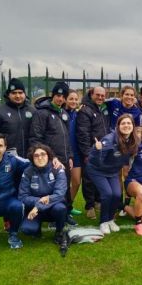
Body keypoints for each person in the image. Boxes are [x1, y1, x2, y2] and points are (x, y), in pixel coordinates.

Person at [85, 114, 138, 235]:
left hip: (112, 171)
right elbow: (94, 161)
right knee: (107, 194)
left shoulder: (132, 141)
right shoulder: (109, 140)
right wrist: (97, 150)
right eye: (123, 123)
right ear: (118, 126)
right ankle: (103, 222)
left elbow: (127, 159)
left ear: (133, 126)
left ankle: (110, 220)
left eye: (129, 123)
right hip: (97, 170)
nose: (126, 126)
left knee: (117, 194)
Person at [29, 81, 75, 223]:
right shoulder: (42, 113)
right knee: (51, 190)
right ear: (53, 95)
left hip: (65, 159)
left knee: (64, 188)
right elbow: (36, 138)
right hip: (51, 160)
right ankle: (50, 217)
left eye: (63, 96)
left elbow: (67, 137)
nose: (60, 99)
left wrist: (71, 156)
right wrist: (50, 157)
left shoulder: (64, 113)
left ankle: (65, 214)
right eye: (58, 95)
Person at [18, 143, 68, 253]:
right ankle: (37, 228)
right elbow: (22, 196)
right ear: (32, 158)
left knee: (60, 208)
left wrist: (39, 205)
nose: (40, 158)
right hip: (35, 210)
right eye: (36, 156)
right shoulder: (28, 172)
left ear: (48, 156)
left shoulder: (57, 168)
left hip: (53, 208)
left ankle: (59, 232)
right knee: (27, 230)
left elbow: (59, 194)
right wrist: (38, 202)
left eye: (43, 154)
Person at [76, 86, 110, 219]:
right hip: (91, 152)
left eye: (103, 95)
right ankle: (89, 206)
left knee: (101, 177)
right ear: (91, 94)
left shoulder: (104, 109)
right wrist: (86, 153)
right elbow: (83, 134)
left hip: (105, 151)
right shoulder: (85, 110)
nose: (100, 97)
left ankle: (97, 201)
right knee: (89, 179)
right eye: (98, 95)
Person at [0, 78, 35, 158]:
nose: (18, 96)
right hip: (7, 158)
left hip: (29, 157)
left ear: (24, 94)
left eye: (20, 92)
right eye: (14, 93)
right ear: (8, 95)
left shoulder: (32, 110)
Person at [65, 89, 82, 216]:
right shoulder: (60, 113)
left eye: (76, 99)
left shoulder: (77, 114)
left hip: (76, 153)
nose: (74, 101)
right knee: (63, 184)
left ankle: (68, 206)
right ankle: (61, 209)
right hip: (63, 153)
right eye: (71, 98)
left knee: (76, 182)